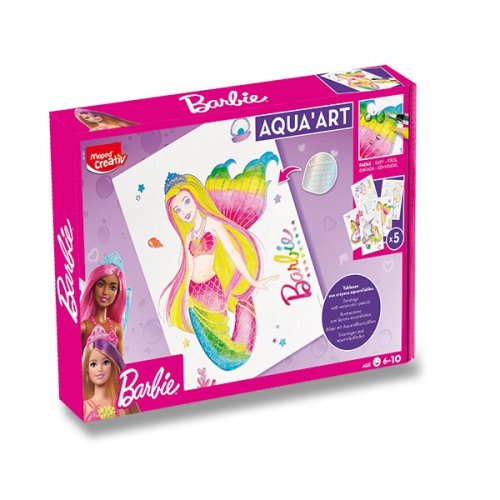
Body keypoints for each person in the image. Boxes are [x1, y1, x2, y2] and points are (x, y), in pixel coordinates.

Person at [162, 152, 279, 371]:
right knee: (212, 345)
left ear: (196, 197)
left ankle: (239, 354)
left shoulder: (212, 224)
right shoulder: (188, 237)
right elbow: (188, 269)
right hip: (195, 296)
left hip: (213, 290)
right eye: (178, 209)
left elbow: (233, 252)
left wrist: (252, 281)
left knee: (225, 345)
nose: (184, 211)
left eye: (186, 202)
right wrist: (185, 297)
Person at [80, 252, 127, 356]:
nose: (105, 292)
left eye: (112, 288)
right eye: (101, 285)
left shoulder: (117, 329)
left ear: (118, 293)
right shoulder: (84, 327)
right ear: (92, 287)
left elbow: (121, 363)